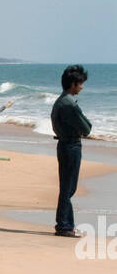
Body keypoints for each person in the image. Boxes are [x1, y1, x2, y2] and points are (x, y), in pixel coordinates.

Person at [50, 65, 92, 237]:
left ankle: (66, 224)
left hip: (64, 145)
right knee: (68, 188)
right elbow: (86, 127)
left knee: (67, 187)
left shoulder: (61, 101)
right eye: (81, 83)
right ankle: (64, 225)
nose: (82, 87)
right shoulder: (68, 104)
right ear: (73, 84)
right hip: (71, 146)